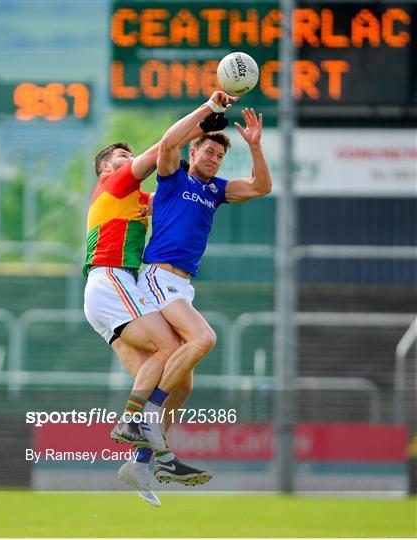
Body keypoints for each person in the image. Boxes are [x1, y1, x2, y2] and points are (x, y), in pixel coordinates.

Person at [82, 92, 232, 506]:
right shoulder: (115, 182)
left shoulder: (138, 201)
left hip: (112, 294)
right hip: (111, 281)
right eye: (120, 156)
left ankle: (147, 460)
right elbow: (162, 148)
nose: (128, 160)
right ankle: (134, 423)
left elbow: (176, 204)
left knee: (176, 378)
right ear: (104, 169)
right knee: (171, 348)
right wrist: (208, 115)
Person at [127, 105, 272, 488]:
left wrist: (255, 147)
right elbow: (169, 141)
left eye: (220, 155)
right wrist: (206, 113)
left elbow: (261, 187)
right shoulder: (173, 178)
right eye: (208, 151)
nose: (213, 158)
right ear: (194, 152)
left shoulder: (216, 190)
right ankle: (148, 413)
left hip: (182, 286)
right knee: (205, 338)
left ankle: (142, 462)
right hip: (158, 277)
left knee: (186, 385)